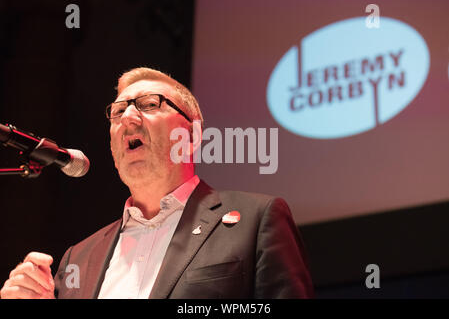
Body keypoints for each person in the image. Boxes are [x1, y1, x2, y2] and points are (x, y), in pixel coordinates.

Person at [0, 67, 314, 299]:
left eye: (150, 104)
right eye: (118, 111)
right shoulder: (78, 257)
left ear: (191, 136)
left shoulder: (256, 221)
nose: (128, 118)